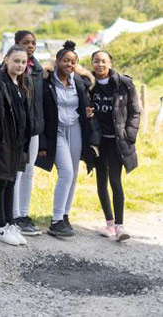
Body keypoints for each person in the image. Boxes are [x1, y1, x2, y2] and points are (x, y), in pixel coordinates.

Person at [37, 40, 95, 238]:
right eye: (65, 61)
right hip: (57, 132)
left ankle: (65, 214)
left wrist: (87, 111)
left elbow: (86, 100)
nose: (69, 65)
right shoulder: (46, 81)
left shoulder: (78, 81)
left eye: (72, 62)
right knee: (66, 172)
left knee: (74, 172)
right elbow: (42, 112)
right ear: (57, 61)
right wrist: (43, 142)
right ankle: (56, 220)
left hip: (76, 129)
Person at [0, 46, 33, 247]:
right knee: (1, 182)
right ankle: (0, 225)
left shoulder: (23, 84)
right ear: (6, 60)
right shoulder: (0, 81)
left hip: (19, 142)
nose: (19, 65)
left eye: (23, 62)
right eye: (16, 61)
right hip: (4, 141)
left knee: (12, 181)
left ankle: (11, 222)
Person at [89, 50, 140, 242]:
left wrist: (130, 135)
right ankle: (109, 224)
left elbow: (135, 111)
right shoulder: (87, 84)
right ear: (92, 64)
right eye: (96, 61)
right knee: (101, 181)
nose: (100, 64)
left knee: (115, 180)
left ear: (110, 63)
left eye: (104, 61)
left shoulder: (124, 84)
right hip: (98, 141)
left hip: (117, 141)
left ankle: (120, 226)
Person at [11, 31, 45, 236]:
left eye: (33, 42)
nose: (30, 45)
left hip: (34, 127)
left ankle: (24, 213)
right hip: (17, 129)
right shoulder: (6, 69)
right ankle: (14, 214)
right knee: (17, 171)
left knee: (29, 171)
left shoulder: (39, 70)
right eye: (25, 42)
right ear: (16, 44)